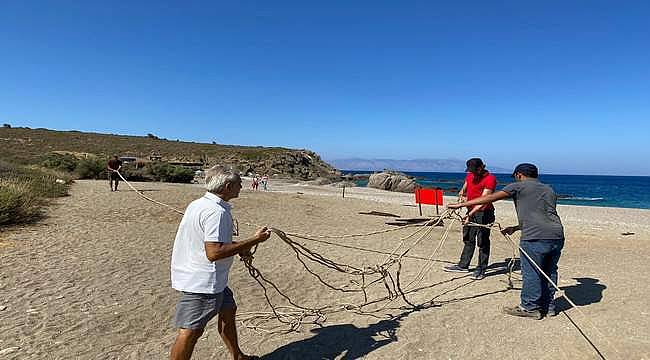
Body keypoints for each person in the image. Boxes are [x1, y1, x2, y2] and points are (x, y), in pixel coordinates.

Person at [170, 166, 272, 359]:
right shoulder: (217, 212)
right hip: (203, 282)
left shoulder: (198, 204)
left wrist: (241, 247)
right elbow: (214, 252)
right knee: (191, 332)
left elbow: (212, 244)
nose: (242, 186)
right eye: (238, 184)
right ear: (227, 186)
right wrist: (255, 240)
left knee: (228, 309)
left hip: (211, 278)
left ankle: (238, 356)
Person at [448, 163, 565, 319]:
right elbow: (542, 214)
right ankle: (548, 307)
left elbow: (489, 198)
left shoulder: (517, 186)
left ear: (519, 175)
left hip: (534, 236)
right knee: (549, 271)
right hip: (556, 235)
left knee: (532, 273)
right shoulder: (549, 189)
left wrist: (461, 204)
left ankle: (530, 308)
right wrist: (516, 228)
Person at [443, 158, 497, 280]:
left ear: (482, 167)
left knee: (482, 241)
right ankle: (463, 265)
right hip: (470, 211)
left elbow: (484, 200)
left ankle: (481, 269)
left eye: (475, 170)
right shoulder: (470, 175)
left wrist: (470, 214)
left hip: (484, 213)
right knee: (468, 238)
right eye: (470, 170)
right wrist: (461, 194)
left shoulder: (490, 179)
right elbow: (465, 187)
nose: (472, 173)